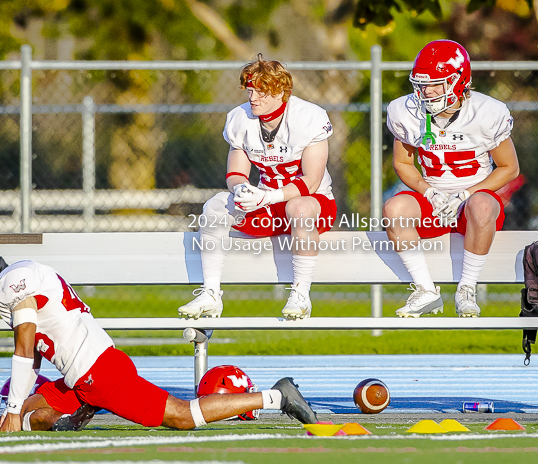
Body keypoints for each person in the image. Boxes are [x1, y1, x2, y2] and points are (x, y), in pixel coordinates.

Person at [0, 258, 318, 432]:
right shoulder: (28, 273)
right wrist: (16, 408)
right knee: (27, 412)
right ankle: (66, 421)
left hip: (98, 374)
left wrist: (12, 410)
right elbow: (36, 357)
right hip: (88, 372)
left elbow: (25, 350)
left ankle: (277, 396)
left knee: (182, 416)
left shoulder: (13, 283)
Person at [178, 54, 336, 320]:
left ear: (282, 92)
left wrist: (270, 195)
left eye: (262, 93)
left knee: (298, 206)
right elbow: (236, 173)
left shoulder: (308, 117)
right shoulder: (240, 119)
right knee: (215, 205)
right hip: (268, 207)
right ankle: (211, 293)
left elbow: (311, 181)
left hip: (312, 208)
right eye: (251, 91)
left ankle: (300, 294)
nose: (253, 98)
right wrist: (242, 189)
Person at [383, 40, 519, 318]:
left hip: (474, 203)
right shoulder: (405, 111)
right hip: (433, 199)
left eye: (436, 83)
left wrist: (466, 194)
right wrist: (429, 191)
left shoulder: (486, 112)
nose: (426, 91)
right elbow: (402, 163)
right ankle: (425, 290)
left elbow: (509, 168)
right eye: (421, 83)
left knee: (481, 205)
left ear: (459, 81)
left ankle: (466, 289)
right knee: (393, 209)